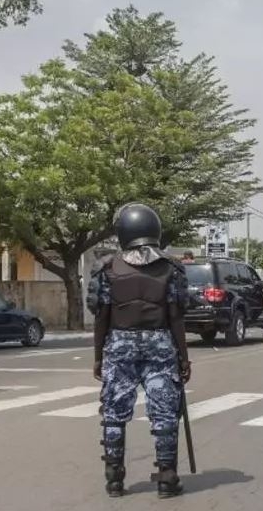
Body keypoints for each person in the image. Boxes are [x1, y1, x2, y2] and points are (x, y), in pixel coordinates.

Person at [87, 203, 191, 499]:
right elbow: (176, 318)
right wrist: (183, 357)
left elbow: (101, 317)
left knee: (113, 415)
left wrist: (98, 356)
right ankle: (167, 479)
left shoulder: (107, 268)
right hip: (160, 346)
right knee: (165, 416)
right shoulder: (171, 268)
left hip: (119, 347)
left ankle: (114, 480)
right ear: (153, 230)